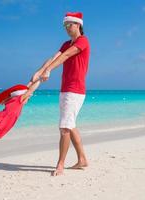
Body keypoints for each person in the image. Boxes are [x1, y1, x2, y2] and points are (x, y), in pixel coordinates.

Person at [31, 12, 90, 176]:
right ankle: (82, 159)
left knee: (64, 128)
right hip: (66, 89)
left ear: (78, 24)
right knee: (70, 126)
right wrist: (40, 71)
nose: (66, 28)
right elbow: (55, 56)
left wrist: (49, 70)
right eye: (64, 26)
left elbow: (65, 56)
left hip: (75, 90)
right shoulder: (66, 43)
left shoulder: (83, 41)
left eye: (69, 25)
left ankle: (60, 165)